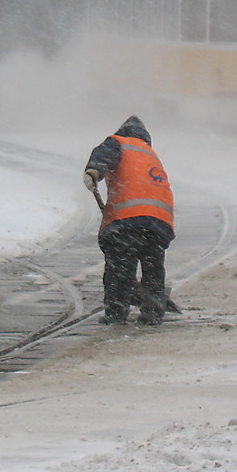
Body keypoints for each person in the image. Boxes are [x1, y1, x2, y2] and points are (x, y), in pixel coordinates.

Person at [83, 115, 174, 326]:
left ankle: (117, 310)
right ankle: (153, 310)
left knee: (120, 268)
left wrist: (93, 171)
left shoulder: (119, 142)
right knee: (153, 268)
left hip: (128, 221)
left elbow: (104, 154)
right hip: (159, 221)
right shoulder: (150, 154)